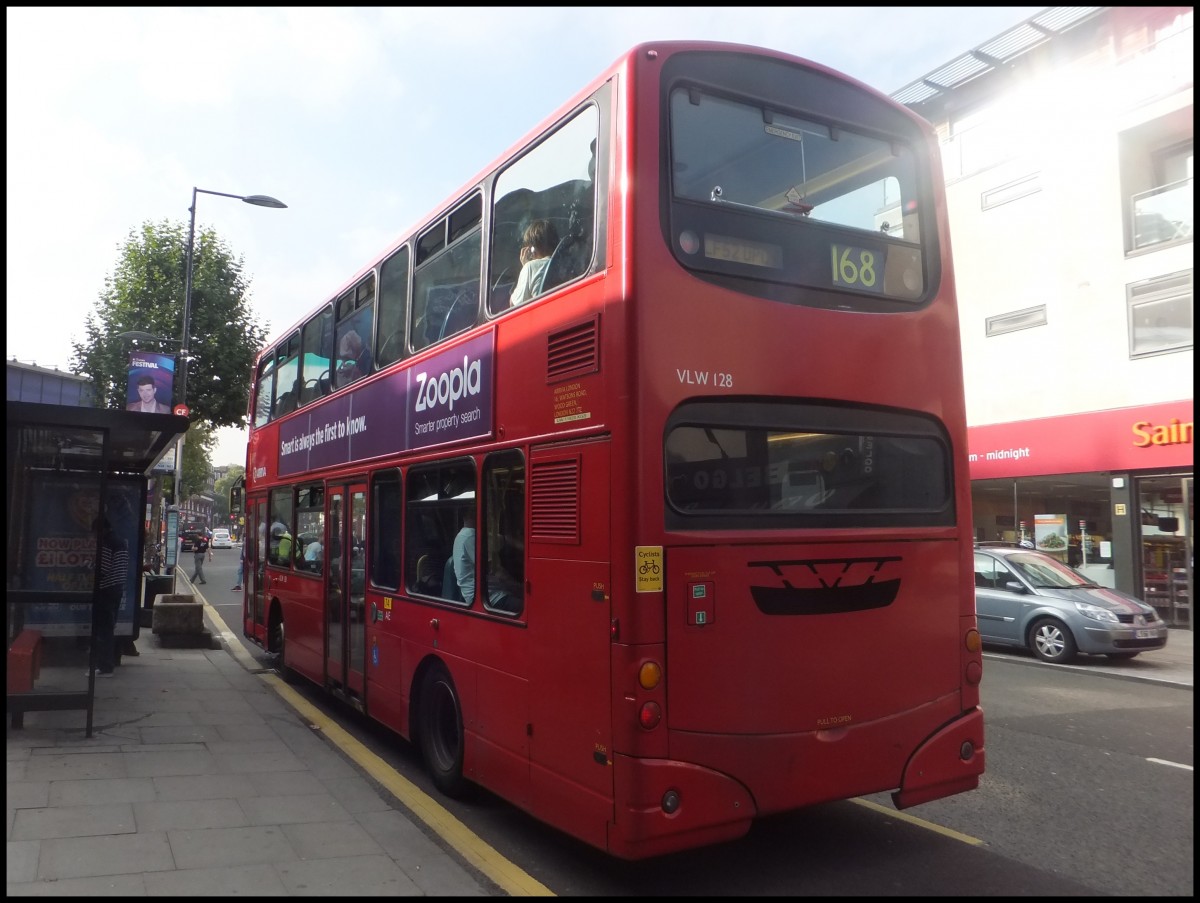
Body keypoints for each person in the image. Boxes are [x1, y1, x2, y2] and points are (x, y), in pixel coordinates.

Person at [91, 516, 129, 677]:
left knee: (103, 630)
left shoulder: (107, 543)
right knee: (109, 627)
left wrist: (91, 567)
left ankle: (105, 667)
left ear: (101, 530)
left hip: (106, 589)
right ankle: (107, 664)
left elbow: (103, 568)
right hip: (117, 588)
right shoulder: (120, 542)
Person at [509, 219, 560, 307]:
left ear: (532, 249)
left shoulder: (530, 267)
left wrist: (525, 266)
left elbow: (513, 304)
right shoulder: (563, 263)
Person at [450, 504, 477, 603]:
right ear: (471, 514)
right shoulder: (470, 536)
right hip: (479, 595)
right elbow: (492, 570)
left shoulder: (462, 534)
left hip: (469, 593)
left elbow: (500, 538)